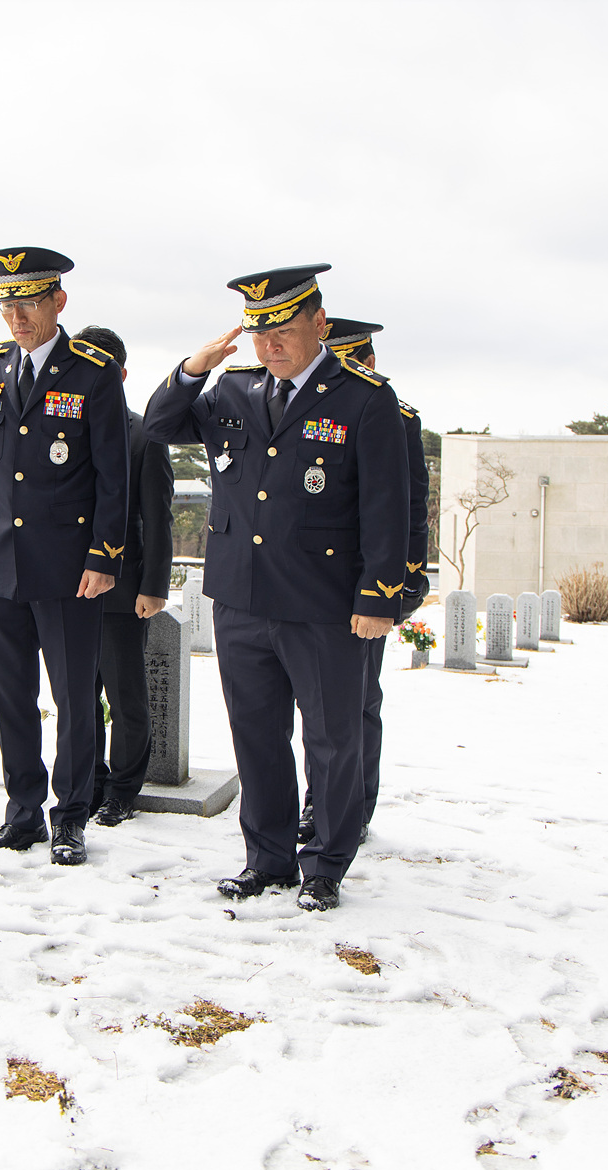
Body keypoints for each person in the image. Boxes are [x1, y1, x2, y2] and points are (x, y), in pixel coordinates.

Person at [144, 266, 409, 911]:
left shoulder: (364, 398)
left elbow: (387, 507)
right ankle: (267, 858)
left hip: (323, 604)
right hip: (242, 598)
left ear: (319, 323)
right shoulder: (232, 389)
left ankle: (325, 865)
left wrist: (378, 597)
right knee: (255, 736)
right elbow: (158, 426)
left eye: (284, 331)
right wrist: (194, 368)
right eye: (261, 335)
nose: (270, 346)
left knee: (332, 740)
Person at [0, 247, 129, 866]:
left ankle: (71, 817)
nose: (17, 317)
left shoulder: (91, 372)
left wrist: (104, 556)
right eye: (7, 306)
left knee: (73, 699)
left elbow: (113, 476)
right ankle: (23, 814)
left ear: (58, 302)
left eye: (30, 303)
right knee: (10, 696)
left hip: (68, 567)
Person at [297, 318, 430, 844]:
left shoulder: (392, 415)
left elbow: (408, 508)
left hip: (361, 588)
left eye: (348, 359)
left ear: (369, 363)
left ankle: (353, 805)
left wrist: (401, 583)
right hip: (307, 584)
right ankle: (319, 801)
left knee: (354, 703)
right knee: (314, 706)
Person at [68, 325, 174, 827]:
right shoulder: (59, 425)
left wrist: (153, 586)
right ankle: (87, 781)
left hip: (122, 590)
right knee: (77, 695)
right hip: (67, 588)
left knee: (125, 694)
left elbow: (157, 517)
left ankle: (122, 790)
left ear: (121, 375)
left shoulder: (143, 434)